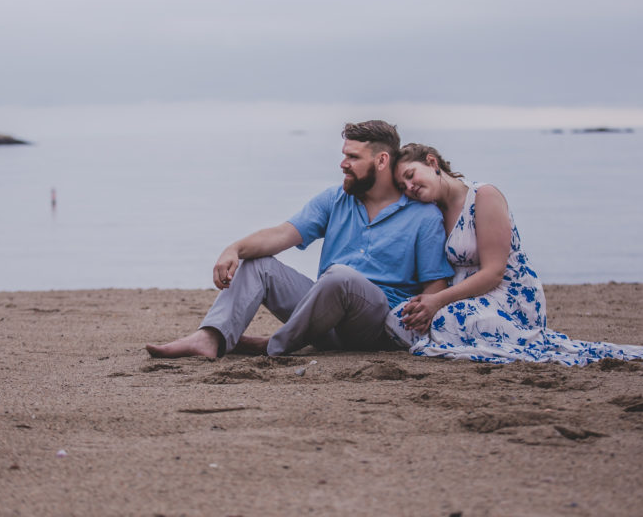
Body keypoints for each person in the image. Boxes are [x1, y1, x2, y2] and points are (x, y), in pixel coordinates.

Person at [146, 121, 454, 359]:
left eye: (352, 157)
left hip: (373, 326)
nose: (343, 163)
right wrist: (234, 249)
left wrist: (425, 314)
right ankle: (210, 338)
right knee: (259, 264)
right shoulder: (335, 199)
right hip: (321, 321)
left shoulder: (423, 216)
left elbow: (434, 286)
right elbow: (282, 234)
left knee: (340, 276)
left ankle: (274, 345)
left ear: (382, 160)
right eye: (343, 155)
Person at [387, 143, 643, 365]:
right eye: (402, 186)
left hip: (508, 296)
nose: (409, 187)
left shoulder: (483, 196)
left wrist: (436, 302)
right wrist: (428, 302)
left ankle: (503, 334)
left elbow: (494, 273)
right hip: (463, 296)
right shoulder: (431, 213)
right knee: (399, 318)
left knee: (445, 320)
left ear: (432, 163)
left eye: (410, 175)